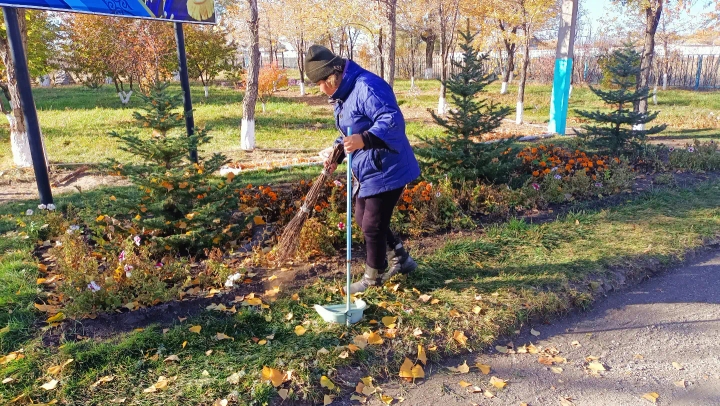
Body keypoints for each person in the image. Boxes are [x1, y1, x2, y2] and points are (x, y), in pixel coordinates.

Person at [305, 44, 420, 294]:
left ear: (331, 77)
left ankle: (373, 277)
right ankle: (401, 259)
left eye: (320, 83)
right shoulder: (345, 93)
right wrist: (337, 153)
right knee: (362, 217)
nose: (320, 90)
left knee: (371, 224)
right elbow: (350, 130)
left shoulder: (367, 86)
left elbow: (392, 120)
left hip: (389, 165)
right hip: (369, 167)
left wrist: (364, 140)